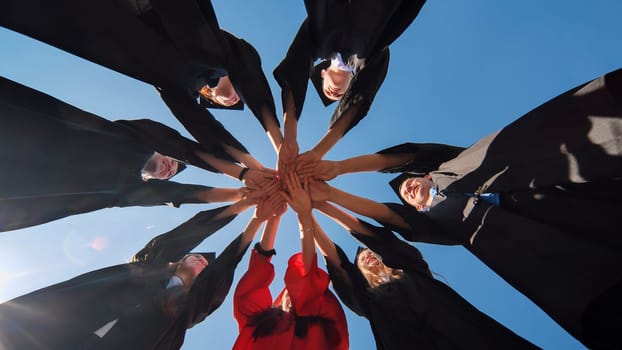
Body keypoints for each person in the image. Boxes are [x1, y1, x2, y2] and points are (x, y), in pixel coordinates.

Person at [303, 68, 622, 349]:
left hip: (579, 186)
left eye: (409, 186)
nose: (409, 192)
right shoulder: (444, 228)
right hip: (574, 263)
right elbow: (387, 228)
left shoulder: (457, 166)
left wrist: (339, 169)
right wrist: (322, 203)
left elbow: (410, 157)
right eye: (409, 199)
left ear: (427, 175)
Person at [0, 0, 283, 156]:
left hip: (109, 18)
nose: (233, 98)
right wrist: (280, 138)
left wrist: (244, 165)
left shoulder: (180, 87)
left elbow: (197, 123)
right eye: (239, 95)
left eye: (228, 103)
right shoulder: (222, 54)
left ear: (209, 99)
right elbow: (247, 62)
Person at [0, 76, 273, 232]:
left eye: (172, 174)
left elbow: (176, 195)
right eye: (173, 162)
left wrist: (241, 196)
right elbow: (178, 145)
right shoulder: (129, 138)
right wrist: (242, 171)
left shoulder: (121, 189)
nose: (170, 169)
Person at [0, 197, 276, 349]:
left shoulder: (182, 311)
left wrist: (257, 222)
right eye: (197, 257)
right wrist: (242, 204)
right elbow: (185, 234)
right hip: (45, 331)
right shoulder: (146, 266)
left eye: (205, 266)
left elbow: (223, 271)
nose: (202, 262)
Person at [309, 200, 536, 349]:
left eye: (370, 252)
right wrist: (306, 215)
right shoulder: (366, 300)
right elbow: (337, 265)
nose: (367, 256)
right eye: (361, 260)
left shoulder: (413, 269)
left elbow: (381, 240)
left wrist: (324, 205)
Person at [274, 0, 427, 173]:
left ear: (322, 73)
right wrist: (316, 153)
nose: (335, 93)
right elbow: (361, 95)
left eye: (328, 92)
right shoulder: (371, 55)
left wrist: (290, 135)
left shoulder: (320, 38)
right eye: (340, 96)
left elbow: (297, 61)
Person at [232, 172, 349, 350]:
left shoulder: (320, 323)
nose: (291, 295)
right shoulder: (262, 324)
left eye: (292, 292)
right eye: (290, 293)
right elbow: (253, 283)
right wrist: (274, 217)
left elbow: (307, 282)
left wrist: (303, 214)